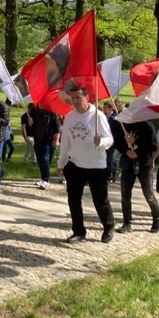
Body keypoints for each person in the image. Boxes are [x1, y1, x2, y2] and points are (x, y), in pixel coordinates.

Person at [57, 86, 116, 244]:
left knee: (100, 200)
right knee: (74, 200)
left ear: (87, 97)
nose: (75, 101)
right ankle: (78, 232)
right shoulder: (69, 117)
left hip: (96, 165)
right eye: (73, 98)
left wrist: (101, 141)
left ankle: (108, 226)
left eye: (78, 97)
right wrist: (61, 163)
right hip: (75, 164)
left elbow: (110, 139)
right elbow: (65, 142)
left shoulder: (98, 116)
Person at [113, 119, 159, 233]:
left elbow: (153, 146)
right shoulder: (123, 125)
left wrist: (136, 144)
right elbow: (117, 142)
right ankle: (127, 223)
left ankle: (157, 219)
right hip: (128, 163)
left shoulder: (147, 126)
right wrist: (126, 150)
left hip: (144, 163)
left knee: (148, 194)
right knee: (125, 194)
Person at [29, 104, 60, 190]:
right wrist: (30, 123)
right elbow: (31, 127)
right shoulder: (34, 111)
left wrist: (57, 140)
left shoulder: (52, 112)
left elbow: (57, 128)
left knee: (45, 158)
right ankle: (43, 178)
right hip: (37, 139)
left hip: (48, 139)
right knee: (39, 159)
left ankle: (46, 180)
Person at [102, 101, 119, 182]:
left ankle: (113, 173)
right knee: (106, 159)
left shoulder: (115, 118)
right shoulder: (103, 117)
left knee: (112, 158)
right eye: (104, 108)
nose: (104, 109)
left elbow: (117, 131)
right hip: (105, 141)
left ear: (110, 108)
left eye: (106, 108)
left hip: (113, 142)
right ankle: (107, 174)